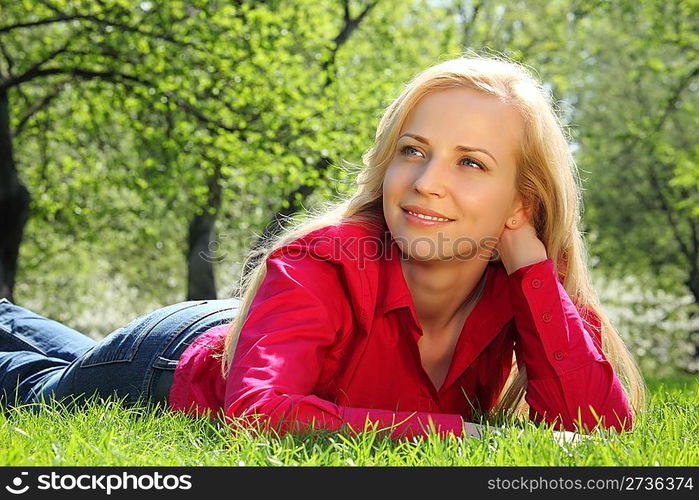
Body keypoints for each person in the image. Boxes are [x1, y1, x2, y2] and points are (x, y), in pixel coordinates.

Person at [0, 54, 646, 441]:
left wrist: (532, 266)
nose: (424, 183)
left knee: (46, 339)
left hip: (252, 328)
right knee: (39, 385)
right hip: (168, 361)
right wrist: (466, 434)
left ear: (520, 203)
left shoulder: (514, 283)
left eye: (470, 163)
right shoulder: (321, 260)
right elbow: (256, 411)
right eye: (412, 151)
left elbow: (595, 431)